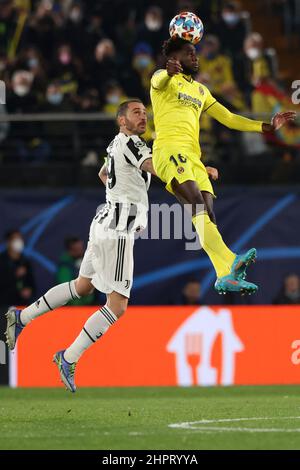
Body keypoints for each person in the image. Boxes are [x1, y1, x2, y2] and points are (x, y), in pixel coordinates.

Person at [5, 99, 155, 393]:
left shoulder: (115, 145)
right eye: (136, 112)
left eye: (145, 113)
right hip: (118, 230)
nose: (143, 116)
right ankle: (69, 357)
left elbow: (103, 175)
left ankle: (20, 317)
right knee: (118, 306)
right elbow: (157, 167)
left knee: (83, 285)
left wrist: (119, 193)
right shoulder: (135, 145)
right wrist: (197, 171)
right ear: (121, 120)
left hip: (101, 221)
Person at [150, 37, 296, 295]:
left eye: (195, 53)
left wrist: (265, 126)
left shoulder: (201, 91)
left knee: (207, 213)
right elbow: (157, 81)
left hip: (195, 158)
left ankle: (223, 275)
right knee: (196, 203)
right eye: (190, 53)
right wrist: (167, 70)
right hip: (169, 151)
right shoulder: (163, 79)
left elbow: (228, 118)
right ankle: (230, 259)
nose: (195, 57)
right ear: (176, 57)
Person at [56, 236, 95, 306]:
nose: (81, 251)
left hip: (90, 304)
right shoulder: (64, 267)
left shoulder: (86, 260)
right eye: (77, 250)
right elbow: (67, 290)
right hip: (73, 307)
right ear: (70, 251)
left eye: (81, 248)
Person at [0, 230, 35, 307]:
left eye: (20, 238)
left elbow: (32, 283)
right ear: (8, 242)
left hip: (23, 306)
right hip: (4, 306)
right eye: (15, 238)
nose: (18, 241)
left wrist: (29, 290)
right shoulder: (2, 261)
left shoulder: (25, 261)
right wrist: (14, 274)